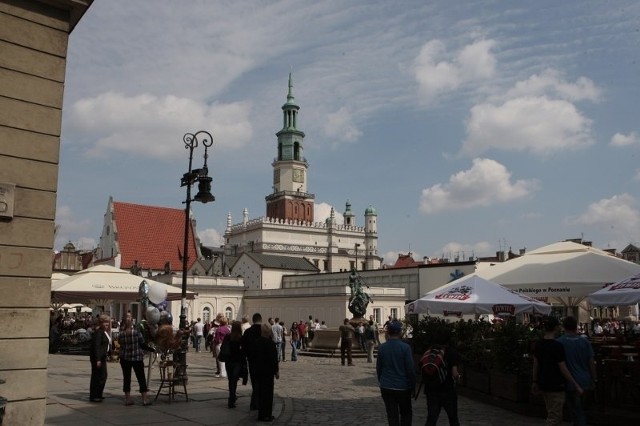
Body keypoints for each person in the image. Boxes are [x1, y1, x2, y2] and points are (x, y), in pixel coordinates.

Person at [533, 316, 584, 426]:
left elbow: (535, 364)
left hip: (543, 383)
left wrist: (535, 380)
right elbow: (563, 368)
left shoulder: (539, 344)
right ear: (556, 328)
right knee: (554, 417)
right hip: (556, 385)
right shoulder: (557, 346)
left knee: (553, 413)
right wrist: (576, 385)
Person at [557, 316, 597, 426]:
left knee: (576, 411)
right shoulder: (585, 342)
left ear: (564, 327)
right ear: (576, 326)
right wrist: (594, 379)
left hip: (571, 382)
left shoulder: (560, 342)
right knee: (580, 410)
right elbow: (591, 363)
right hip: (585, 380)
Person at [376, 320, 416, 426]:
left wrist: (382, 381)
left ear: (388, 332)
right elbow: (410, 369)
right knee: (406, 413)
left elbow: (378, 368)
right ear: (400, 332)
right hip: (403, 386)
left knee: (392, 414)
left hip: (386, 386)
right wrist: (413, 386)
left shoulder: (382, 348)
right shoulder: (405, 348)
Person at [423, 328, 461, 426]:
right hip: (447, 390)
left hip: (431, 389)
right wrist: (458, 378)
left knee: (431, 419)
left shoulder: (429, 351)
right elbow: (454, 373)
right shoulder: (451, 352)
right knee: (453, 419)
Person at [118, 316, 153, 406]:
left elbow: (120, 344)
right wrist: (151, 349)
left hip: (125, 358)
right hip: (137, 358)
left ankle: (128, 399)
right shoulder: (136, 332)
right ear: (132, 323)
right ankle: (145, 399)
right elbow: (142, 344)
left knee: (126, 378)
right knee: (141, 378)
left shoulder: (121, 334)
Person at [254, 323, 280, 422]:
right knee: (268, 394)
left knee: (260, 393)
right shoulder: (271, 344)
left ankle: (261, 414)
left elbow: (253, 357)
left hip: (259, 371)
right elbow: (274, 359)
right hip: (268, 372)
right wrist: (276, 371)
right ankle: (267, 415)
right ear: (269, 332)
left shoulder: (256, 342)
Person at [241, 312, 263, 411]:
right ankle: (257, 403)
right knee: (262, 383)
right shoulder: (264, 331)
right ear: (261, 320)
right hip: (263, 361)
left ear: (253, 321)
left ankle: (254, 403)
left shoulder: (248, 332)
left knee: (254, 382)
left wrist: (244, 361)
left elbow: (243, 347)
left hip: (252, 360)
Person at [223, 320, 247, 409]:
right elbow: (243, 351)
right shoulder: (241, 338)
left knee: (231, 380)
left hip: (228, 361)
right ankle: (232, 398)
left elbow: (223, 347)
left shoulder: (228, 336)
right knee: (234, 380)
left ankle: (231, 397)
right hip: (237, 362)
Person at [89, 314, 111, 402]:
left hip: (102, 357)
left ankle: (98, 394)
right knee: (98, 376)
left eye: (108, 323)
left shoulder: (103, 332)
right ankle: (95, 395)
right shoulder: (99, 332)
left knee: (102, 376)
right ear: (101, 322)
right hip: (98, 358)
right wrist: (98, 359)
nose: (107, 324)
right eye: (105, 322)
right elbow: (96, 346)